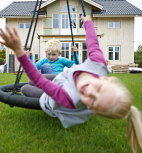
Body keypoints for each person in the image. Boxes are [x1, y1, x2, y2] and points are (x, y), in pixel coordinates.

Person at [0, 15, 142, 153]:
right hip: (63, 78)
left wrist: (19, 52)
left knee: (25, 88)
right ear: (105, 79)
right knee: (31, 81)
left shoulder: (70, 98)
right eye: (99, 89)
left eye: (92, 101)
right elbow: (93, 42)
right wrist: (88, 22)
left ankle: (44, 97)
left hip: (51, 98)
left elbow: (40, 80)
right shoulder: (98, 64)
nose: (89, 92)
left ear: (91, 110)